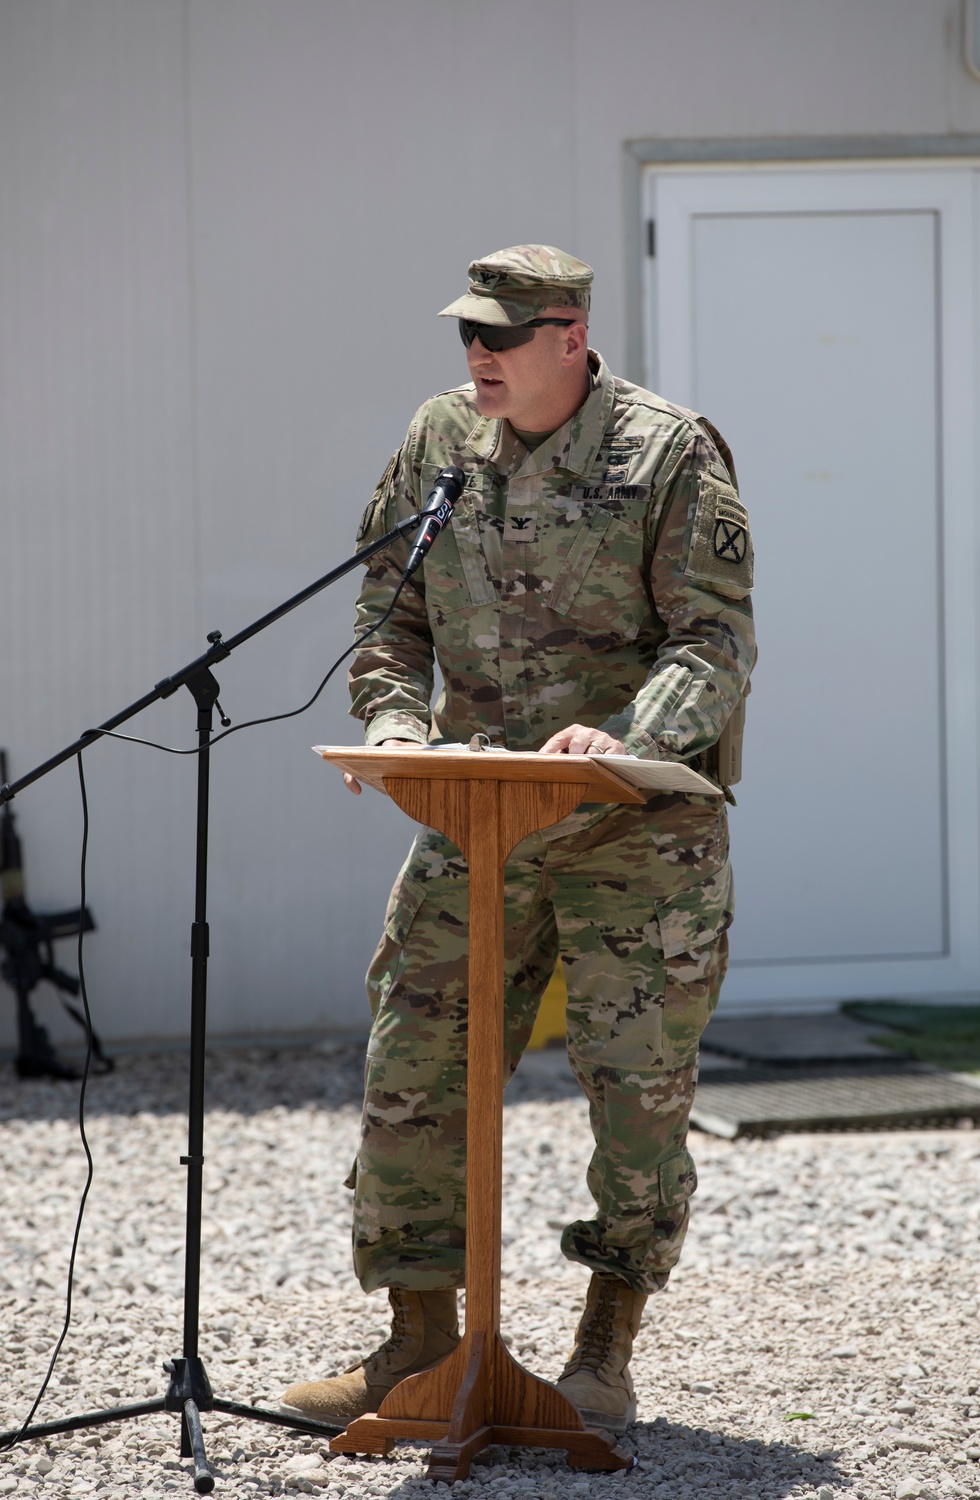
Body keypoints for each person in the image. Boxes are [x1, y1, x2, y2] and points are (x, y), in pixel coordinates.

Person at [283, 244, 755, 1434]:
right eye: (465, 336)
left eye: (499, 335)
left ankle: (603, 1349)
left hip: (629, 827)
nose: (476, 356)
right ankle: (416, 1343)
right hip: (478, 816)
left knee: (635, 1093)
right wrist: (399, 732)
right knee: (413, 1068)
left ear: (570, 336)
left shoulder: (667, 451)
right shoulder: (438, 443)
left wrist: (626, 736)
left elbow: (713, 642)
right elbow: (385, 619)